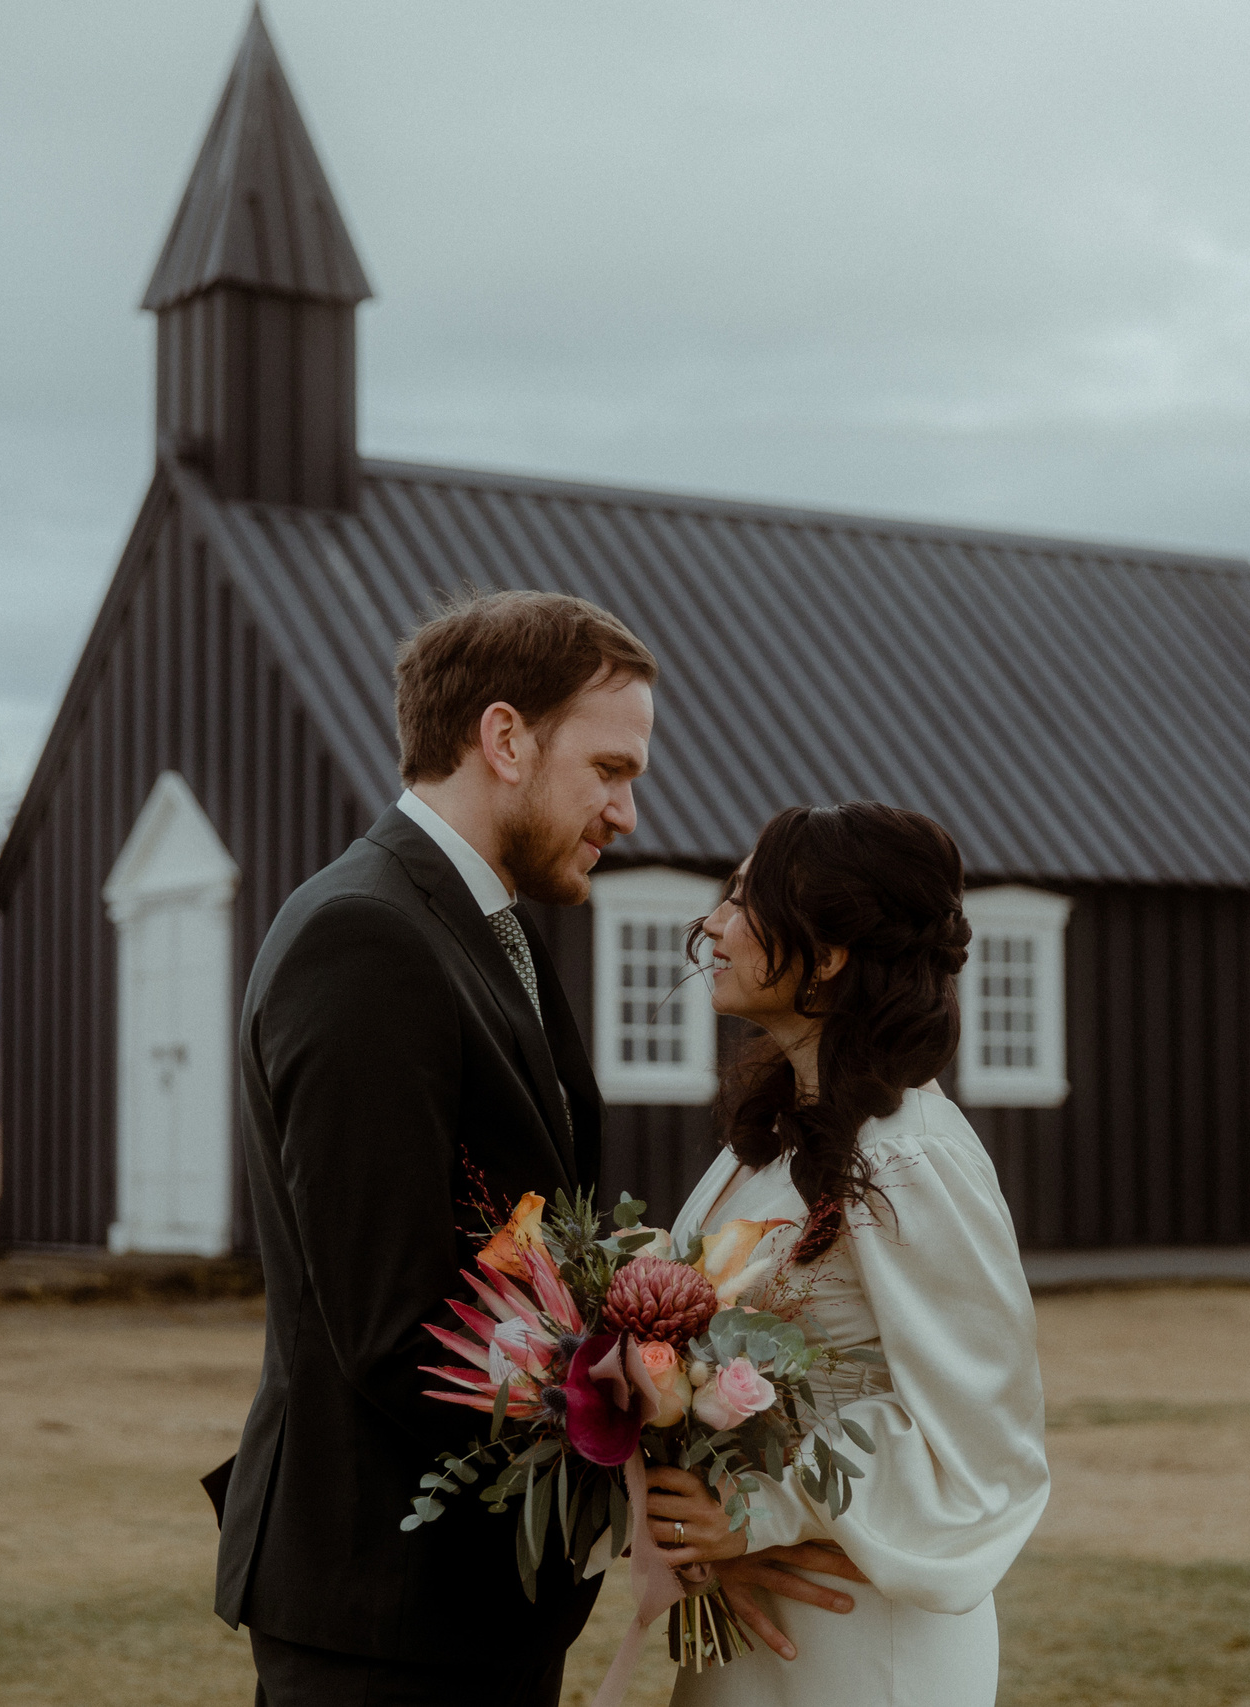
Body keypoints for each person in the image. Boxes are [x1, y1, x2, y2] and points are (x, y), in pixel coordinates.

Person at [209, 590, 654, 1706]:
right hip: (387, 1605)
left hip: (471, 1597)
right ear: (504, 739)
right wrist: (637, 1417)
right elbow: (392, 1318)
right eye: (608, 770)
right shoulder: (365, 935)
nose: (627, 811)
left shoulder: (482, 930)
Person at [642, 802, 1051, 1705]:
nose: (712, 924)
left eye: (744, 901)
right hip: (756, 1611)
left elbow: (974, 1425)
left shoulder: (909, 1156)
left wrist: (756, 1513)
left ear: (826, 955)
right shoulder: (777, 1141)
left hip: (857, 1629)